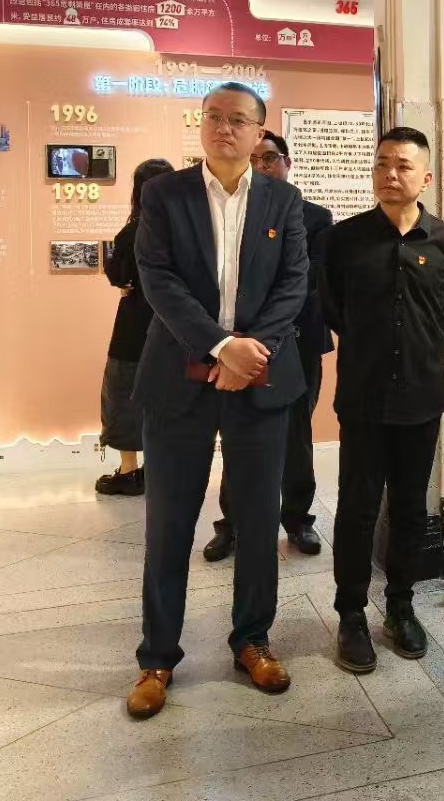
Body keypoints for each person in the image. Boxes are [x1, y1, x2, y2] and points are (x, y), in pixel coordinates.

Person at [124, 82, 309, 720]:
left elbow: (294, 283)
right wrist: (221, 345)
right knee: (169, 523)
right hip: (178, 378)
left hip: (260, 378)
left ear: (259, 132)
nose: (223, 128)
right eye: (213, 117)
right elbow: (158, 280)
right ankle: (157, 657)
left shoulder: (283, 200)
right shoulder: (165, 194)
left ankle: (252, 640)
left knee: (257, 521)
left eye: (237, 120)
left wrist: (248, 353)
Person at [322, 126, 444, 674]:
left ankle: (401, 607)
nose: (390, 174)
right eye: (382, 163)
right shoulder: (344, 239)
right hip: (362, 397)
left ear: (425, 177)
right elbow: (331, 309)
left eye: (403, 166)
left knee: (410, 509)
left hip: (422, 398)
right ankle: (351, 615)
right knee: (357, 510)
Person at [203, 130, 332, 559]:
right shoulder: (230, 214)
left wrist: (264, 320)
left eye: (271, 158)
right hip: (239, 346)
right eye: (255, 159)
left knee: (296, 437)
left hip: (298, 343)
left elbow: (307, 279)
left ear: (287, 163)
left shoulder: (316, 217)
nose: (262, 166)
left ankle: (297, 520)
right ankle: (233, 523)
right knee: (237, 431)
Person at [95, 158, 174, 496]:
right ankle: (161, 470)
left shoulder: (134, 231)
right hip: (174, 328)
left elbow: (118, 274)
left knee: (124, 395)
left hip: (133, 329)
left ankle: (129, 471)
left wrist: (124, 282)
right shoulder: (184, 231)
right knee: (167, 399)